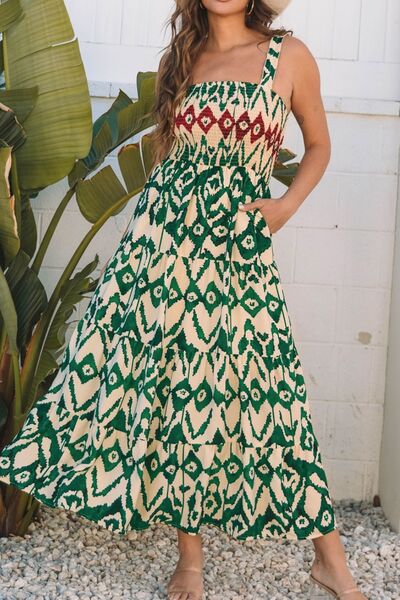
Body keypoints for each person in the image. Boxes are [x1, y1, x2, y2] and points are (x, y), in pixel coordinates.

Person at [0, 1, 368, 599]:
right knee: (177, 391)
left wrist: (285, 206)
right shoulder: (183, 59)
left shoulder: (288, 56)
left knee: (270, 389)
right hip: (162, 247)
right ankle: (190, 560)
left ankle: (331, 560)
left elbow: (320, 146)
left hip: (238, 248)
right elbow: (168, 159)